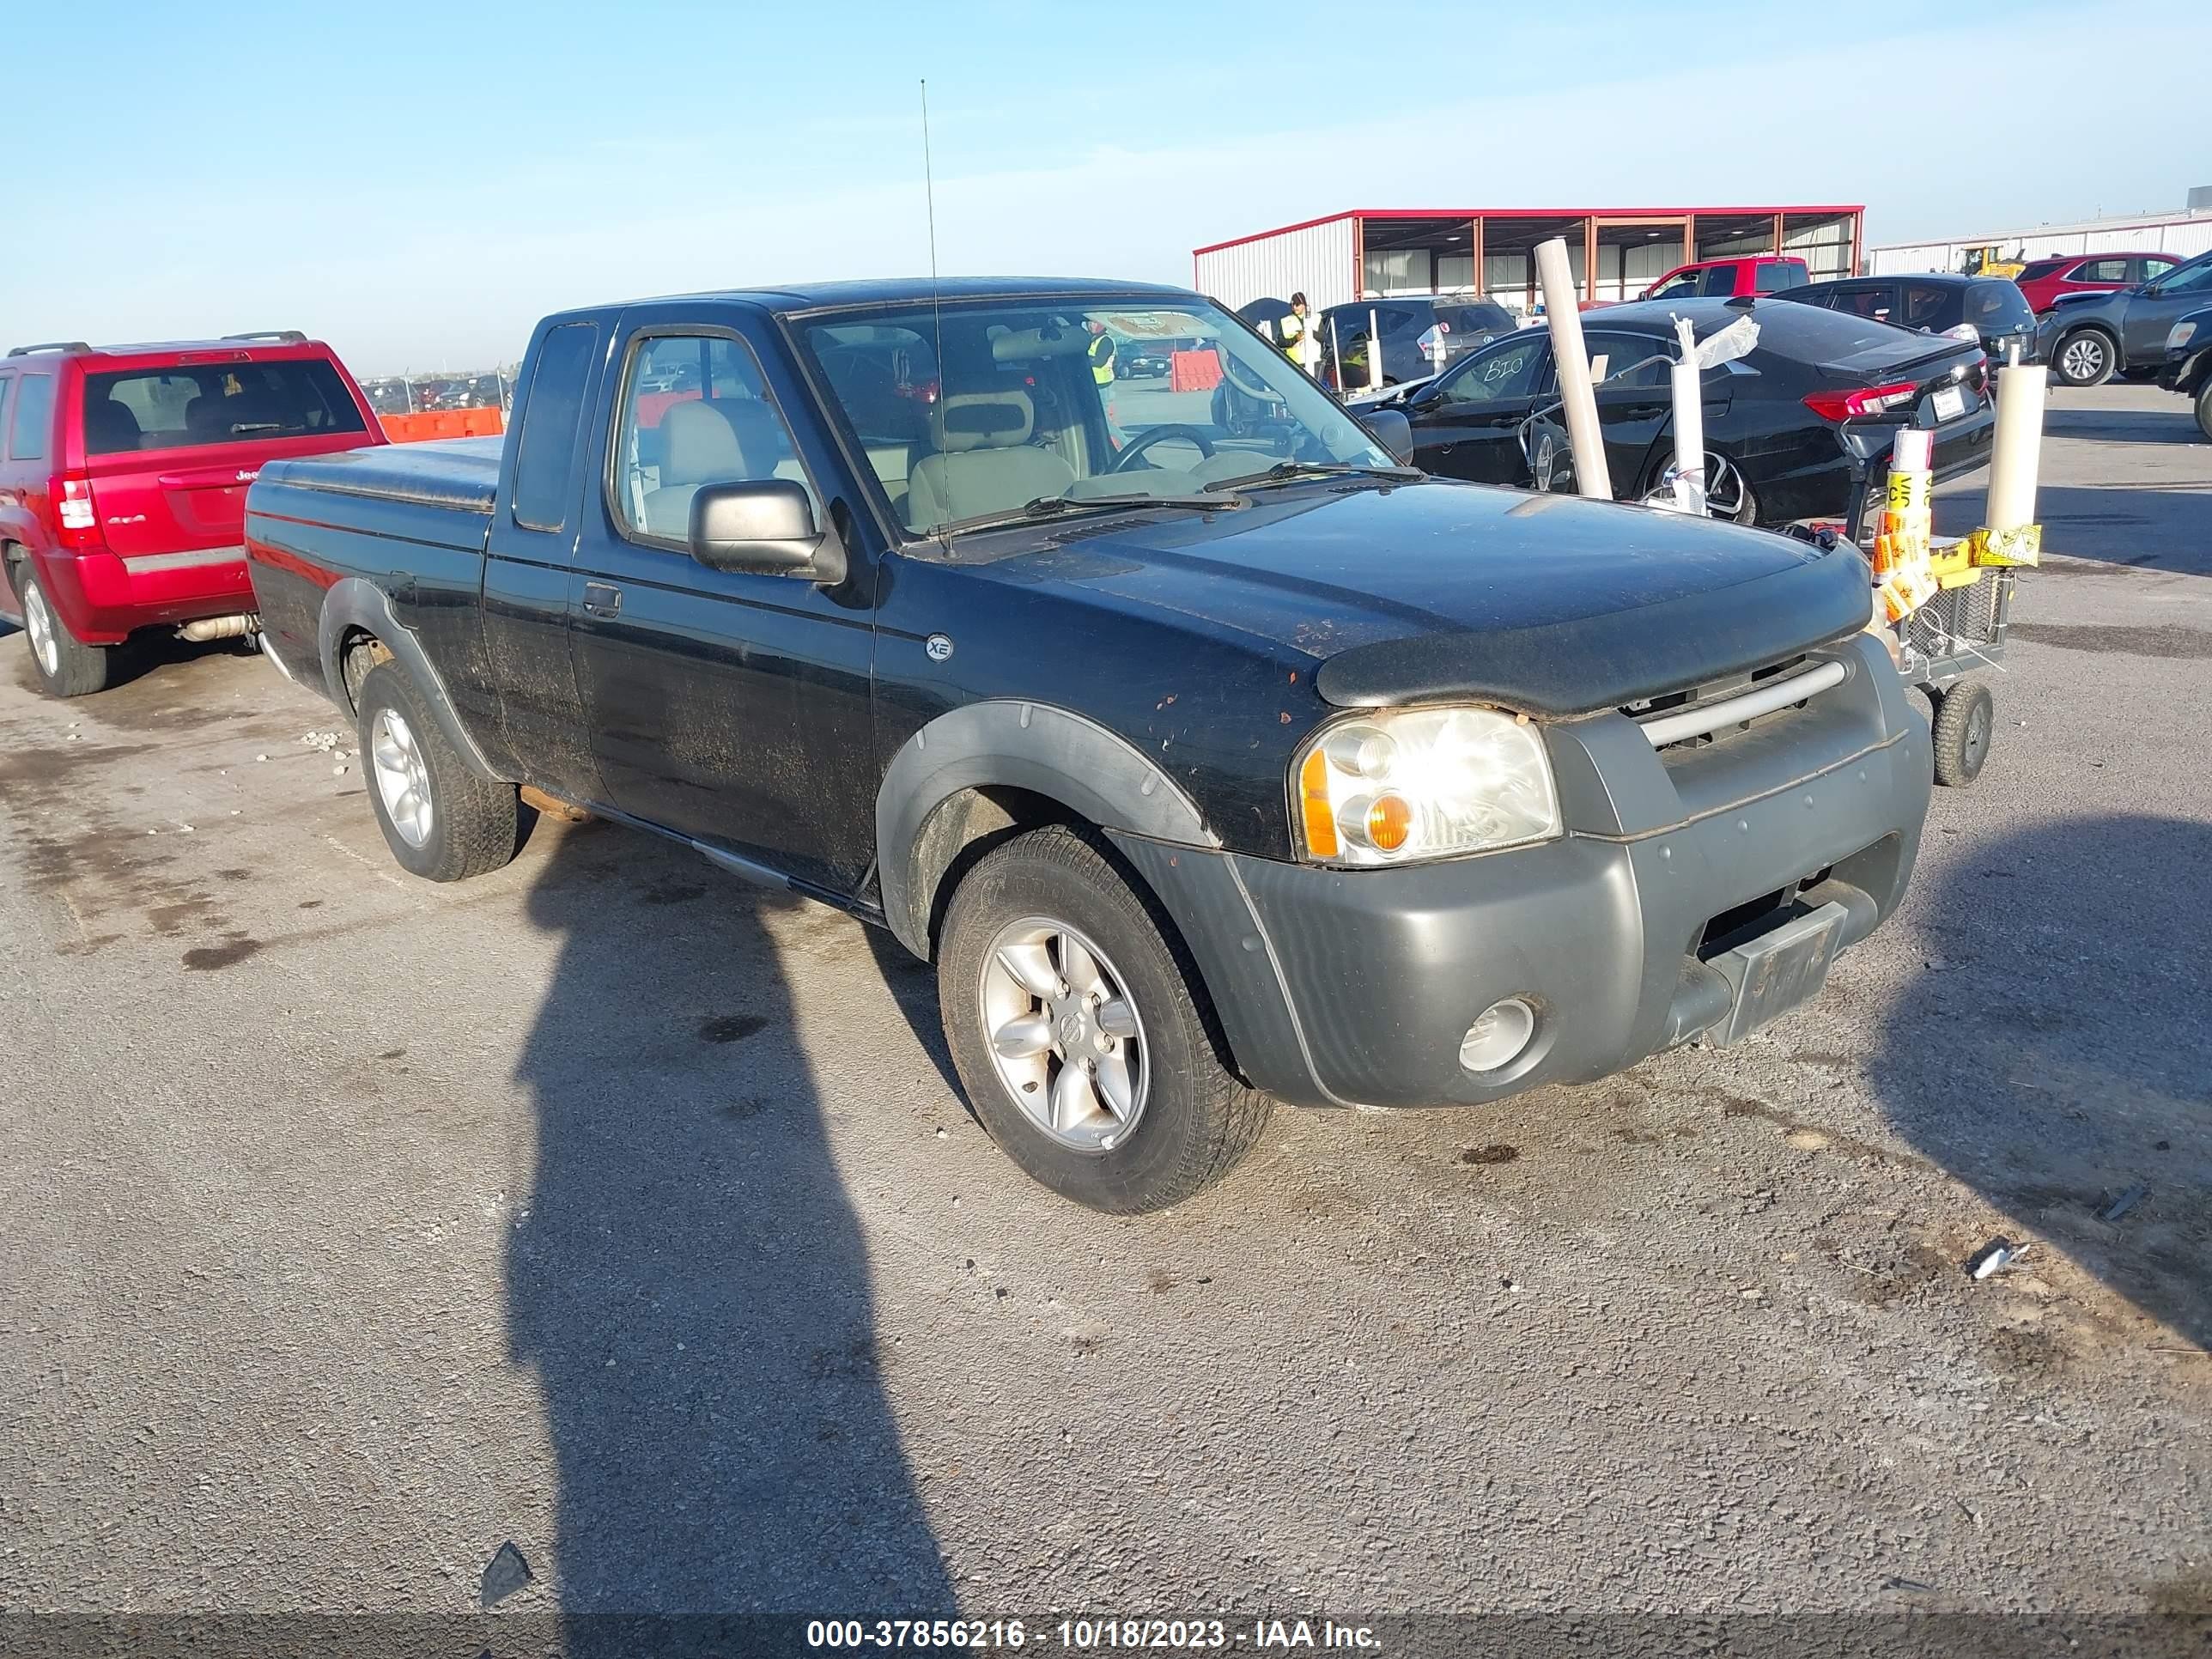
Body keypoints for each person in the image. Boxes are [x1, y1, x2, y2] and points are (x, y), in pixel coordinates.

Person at [1279, 293, 1311, 373]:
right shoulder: (1286, 321)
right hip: (1294, 364)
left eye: (1297, 304)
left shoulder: (1315, 318)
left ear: (1304, 305)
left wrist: (1310, 332)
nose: (1294, 307)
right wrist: (1295, 339)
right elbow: (1280, 342)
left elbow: (1323, 337)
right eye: (1292, 305)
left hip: (1314, 362)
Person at [1086, 320, 1116, 386]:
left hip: (1103, 382)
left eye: (1094, 323)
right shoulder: (1092, 339)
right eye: (1089, 323)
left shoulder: (1106, 341)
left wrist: (1083, 359)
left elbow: (1099, 362)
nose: (1091, 325)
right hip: (1092, 381)